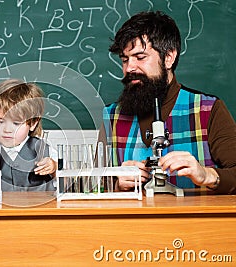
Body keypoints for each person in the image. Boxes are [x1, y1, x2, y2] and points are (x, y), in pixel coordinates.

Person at [98, 11, 236, 194]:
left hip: (194, 221)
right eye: (125, 60)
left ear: (169, 57)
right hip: (131, 223)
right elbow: (91, 187)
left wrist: (207, 175)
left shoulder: (208, 110)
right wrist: (116, 185)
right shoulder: (111, 118)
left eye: (140, 57)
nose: (129, 68)